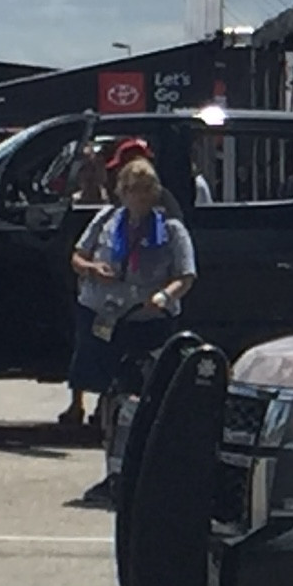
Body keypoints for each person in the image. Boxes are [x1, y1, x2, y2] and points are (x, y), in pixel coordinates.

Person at [67, 156, 197, 502]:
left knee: (140, 402)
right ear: (121, 192)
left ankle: (140, 474)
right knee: (111, 399)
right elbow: (77, 256)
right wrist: (92, 268)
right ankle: (112, 474)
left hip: (148, 323)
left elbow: (186, 275)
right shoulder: (107, 220)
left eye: (145, 191)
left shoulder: (170, 229)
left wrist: (164, 296)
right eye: (132, 191)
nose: (139, 198)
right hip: (105, 318)